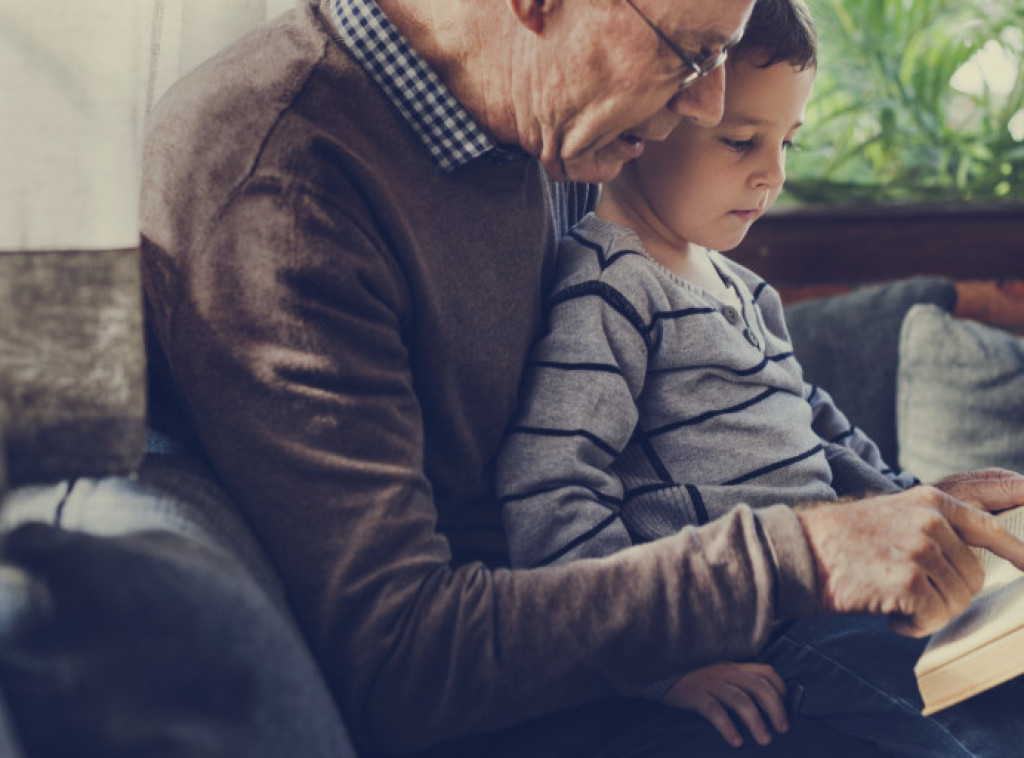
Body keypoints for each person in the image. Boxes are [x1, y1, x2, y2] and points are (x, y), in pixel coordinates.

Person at [138, 0, 1024, 755]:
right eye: (692, 51)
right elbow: (398, 659)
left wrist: (907, 507)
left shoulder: (545, 125)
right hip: (550, 696)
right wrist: (800, 554)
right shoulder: (282, 183)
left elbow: (695, 396)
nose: (702, 103)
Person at [496, 1, 1024, 755]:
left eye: (788, 144)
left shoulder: (744, 288)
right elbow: (550, 491)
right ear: (653, 115)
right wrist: (662, 670)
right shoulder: (610, 288)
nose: (772, 174)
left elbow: (823, 428)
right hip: (764, 631)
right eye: (742, 140)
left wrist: (923, 504)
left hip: (842, 597)